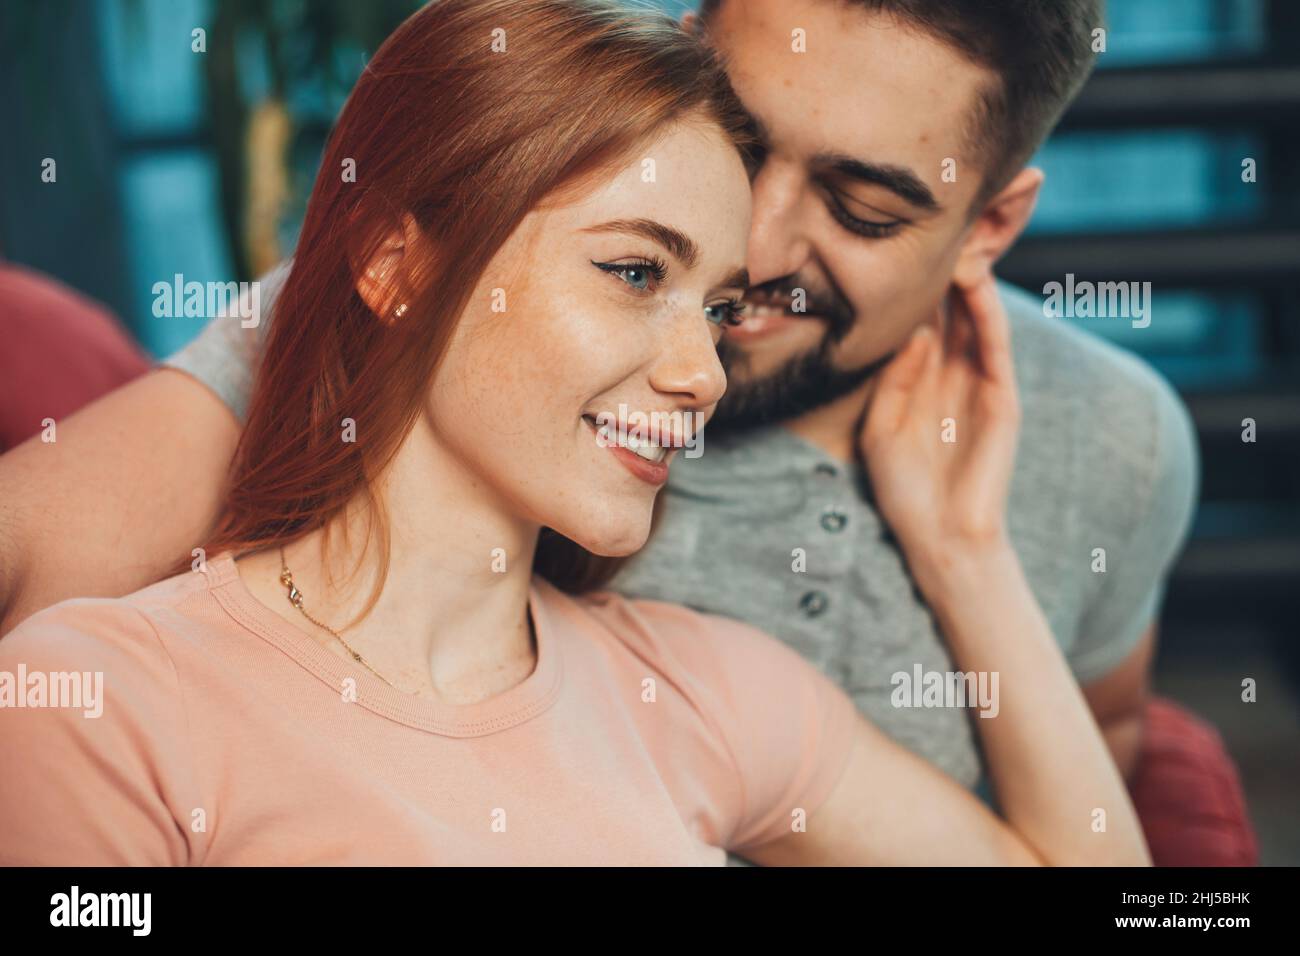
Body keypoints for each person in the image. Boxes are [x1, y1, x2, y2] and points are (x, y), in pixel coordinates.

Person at [0, 0, 1147, 866]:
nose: (706, 369)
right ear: (397, 263)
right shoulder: (96, 704)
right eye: (634, 270)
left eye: (715, 301)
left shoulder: (703, 695)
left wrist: (963, 547)